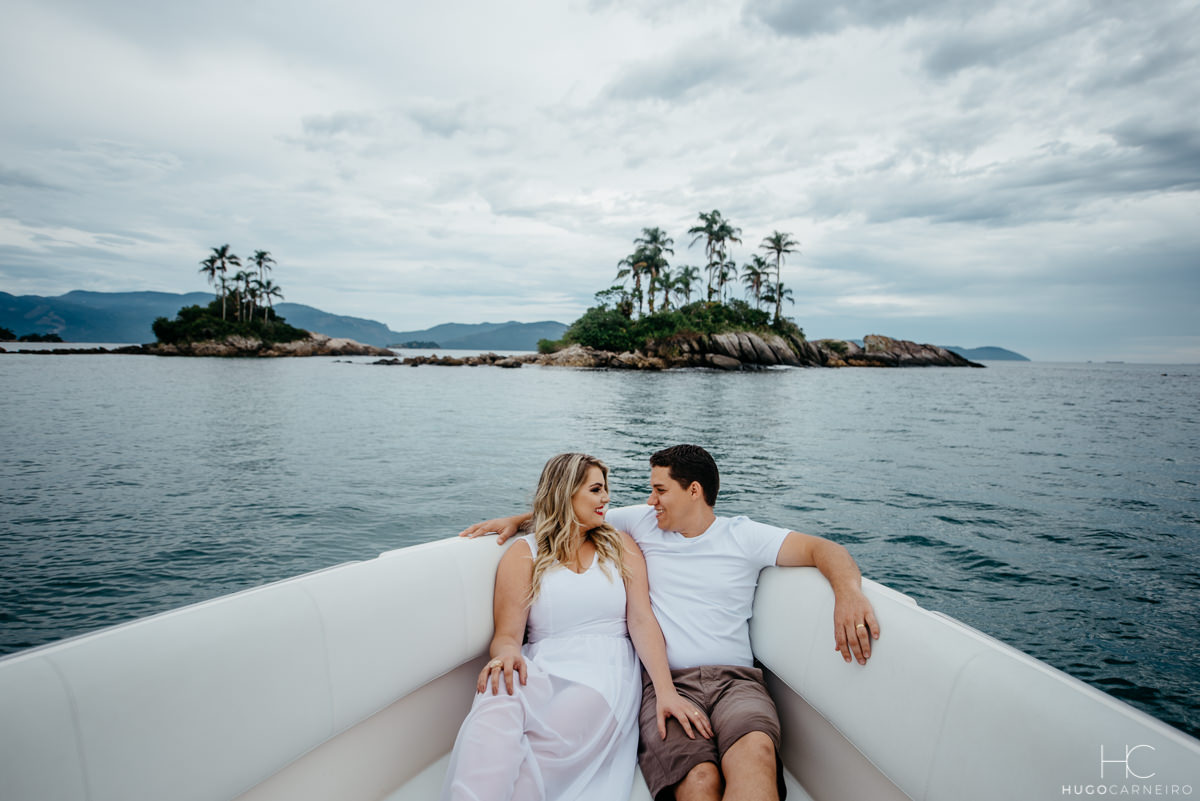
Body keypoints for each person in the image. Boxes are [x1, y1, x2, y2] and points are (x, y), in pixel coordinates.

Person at [460, 444, 880, 801]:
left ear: (693, 491)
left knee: (756, 755)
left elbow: (823, 550)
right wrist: (519, 520)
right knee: (700, 779)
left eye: (659, 490)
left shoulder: (743, 536)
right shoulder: (639, 525)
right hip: (666, 681)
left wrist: (848, 594)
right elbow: (567, 512)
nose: (649, 500)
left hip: (736, 680)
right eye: (648, 490)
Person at [441, 452, 711, 801]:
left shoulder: (621, 546)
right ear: (567, 493)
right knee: (497, 696)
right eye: (597, 490)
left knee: (540, 753)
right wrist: (506, 655)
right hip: (539, 665)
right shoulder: (525, 553)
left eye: (605, 489)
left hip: (603, 672)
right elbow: (507, 635)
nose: (606, 498)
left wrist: (666, 691)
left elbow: (642, 620)